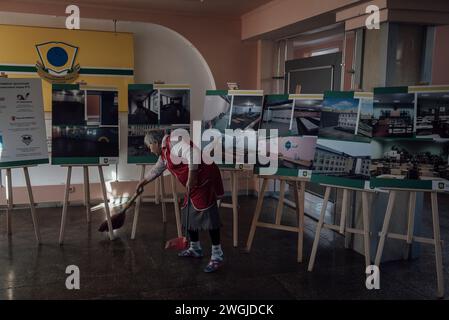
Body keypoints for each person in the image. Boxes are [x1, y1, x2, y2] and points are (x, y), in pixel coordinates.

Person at [136, 130, 225, 273]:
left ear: (155, 142)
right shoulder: (164, 153)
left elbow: (193, 154)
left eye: (149, 146)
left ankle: (217, 255)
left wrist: (191, 177)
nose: (150, 150)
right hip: (196, 183)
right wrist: (143, 182)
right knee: (187, 211)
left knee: (208, 216)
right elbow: (156, 170)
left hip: (205, 179)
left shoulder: (173, 143)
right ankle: (195, 248)